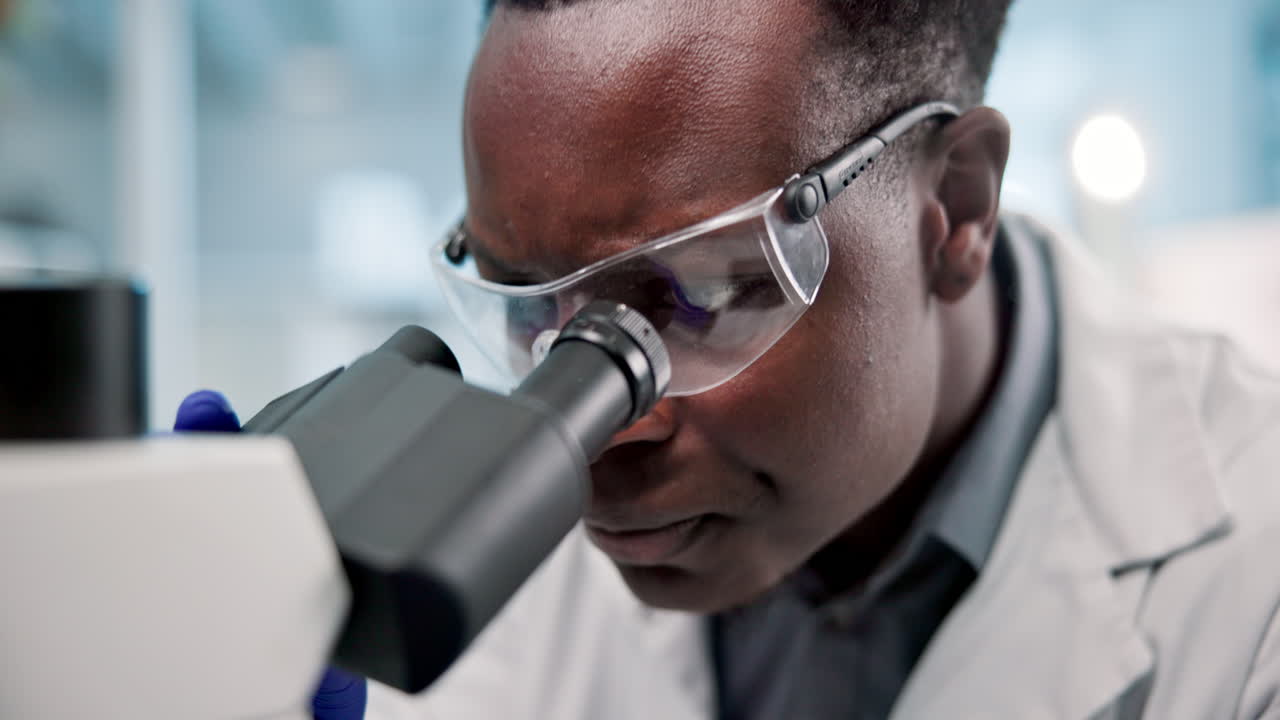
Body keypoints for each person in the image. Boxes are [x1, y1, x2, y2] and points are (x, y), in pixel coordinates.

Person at [195, 0, 1280, 717]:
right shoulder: (483, 575)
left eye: (701, 293)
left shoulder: (1251, 595)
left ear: (952, 208)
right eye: (530, 305)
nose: (594, 435)